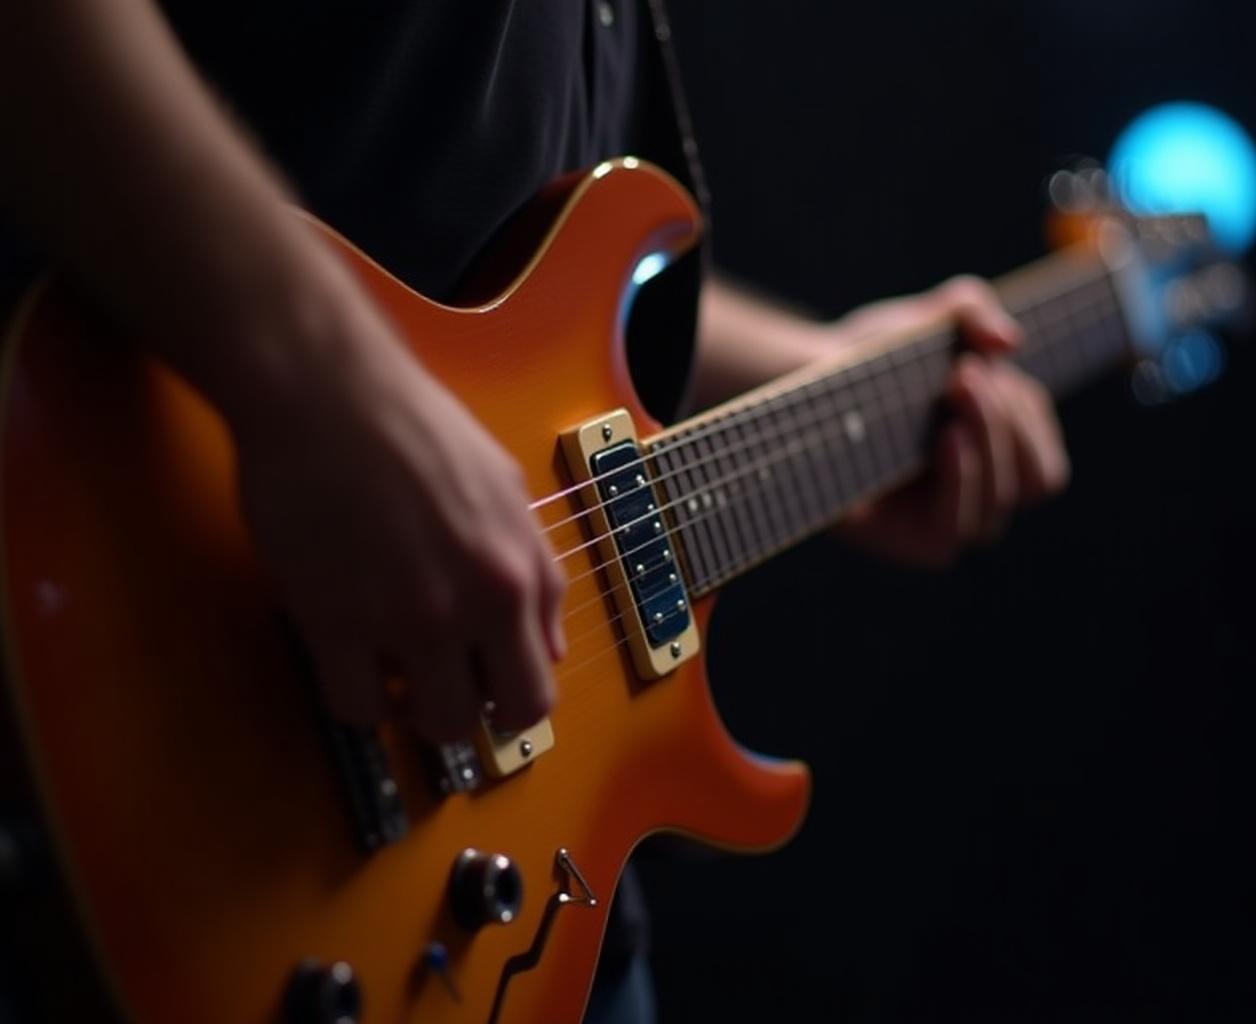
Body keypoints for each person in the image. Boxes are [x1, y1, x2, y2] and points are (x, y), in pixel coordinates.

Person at [0, 2, 1068, 1020]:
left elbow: (511, 270)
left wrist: (823, 377)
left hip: (495, 907)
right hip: (141, 626)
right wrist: (322, 388)